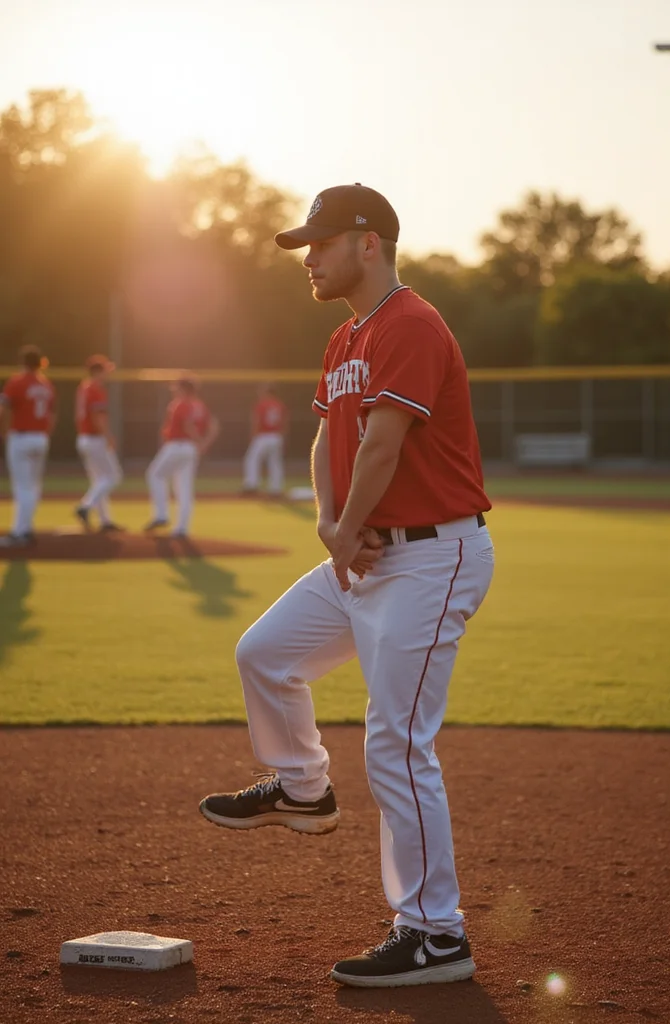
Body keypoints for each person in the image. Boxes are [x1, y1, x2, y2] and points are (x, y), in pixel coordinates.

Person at [199, 184, 495, 988]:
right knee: (265, 653)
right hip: (364, 552)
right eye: (307, 245)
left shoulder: (412, 324)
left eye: (322, 243)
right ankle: (303, 788)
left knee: (396, 742)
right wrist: (332, 523)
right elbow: (329, 436)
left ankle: (436, 934)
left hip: (431, 558)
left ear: (370, 243)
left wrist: (343, 528)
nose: (309, 258)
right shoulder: (346, 337)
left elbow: (384, 445)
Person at [144, 375, 219, 538]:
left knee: (155, 475)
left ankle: (161, 514)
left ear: (184, 388)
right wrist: (204, 444)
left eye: (176, 387)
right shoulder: (200, 405)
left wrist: (199, 442)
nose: (174, 389)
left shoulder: (180, 403)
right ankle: (182, 528)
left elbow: (187, 425)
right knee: (184, 488)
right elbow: (214, 426)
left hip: (177, 445)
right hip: (191, 449)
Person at [0, 344, 57, 546]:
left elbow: (4, 410)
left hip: (21, 436)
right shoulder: (46, 384)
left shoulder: (17, 382)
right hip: (40, 437)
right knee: (33, 486)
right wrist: (45, 435)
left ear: (22, 362)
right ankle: (26, 528)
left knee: (22, 487)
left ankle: (20, 532)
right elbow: (52, 415)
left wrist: (3, 432)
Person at [74, 355, 124, 532]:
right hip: (95, 438)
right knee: (113, 476)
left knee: (99, 480)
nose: (107, 373)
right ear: (98, 371)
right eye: (105, 370)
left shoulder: (84, 387)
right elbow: (97, 417)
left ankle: (105, 520)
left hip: (84, 437)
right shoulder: (96, 389)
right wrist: (108, 435)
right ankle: (85, 506)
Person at [242, 384, 288, 496]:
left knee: (252, 459)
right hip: (277, 436)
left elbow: (256, 421)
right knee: (275, 462)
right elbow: (285, 423)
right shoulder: (280, 405)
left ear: (266, 392)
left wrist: (253, 435)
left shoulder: (261, 404)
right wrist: (283, 437)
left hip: (263, 435)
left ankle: (251, 484)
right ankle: (276, 488)